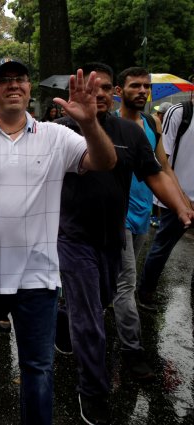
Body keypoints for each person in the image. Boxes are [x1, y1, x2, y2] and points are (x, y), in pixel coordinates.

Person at [0, 57, 116, 423]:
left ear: (30, 88)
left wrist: (89, 123)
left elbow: (104, 161)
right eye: (4, 80)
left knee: (38, 366)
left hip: (37, 275)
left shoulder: (57, 137)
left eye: (20, 78)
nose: (13, 84)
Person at [55, 63, 193, 424]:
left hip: (112, 239)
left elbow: (154, 173)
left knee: (99, 302)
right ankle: (93, 392)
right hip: (73, 238)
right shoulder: (63, 130)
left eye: (104, 89)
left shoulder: (131, 133)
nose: (97, 94)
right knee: (90, 320)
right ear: (79, 90)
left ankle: (61, 316)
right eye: (90, 87)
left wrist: (181, 208)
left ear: (113, 92)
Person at [111, 66, 189, 379]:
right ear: (120, 91)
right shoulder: (110, 125)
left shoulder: (151, 122)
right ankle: (132, 351)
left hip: (144, 213)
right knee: (126, 281)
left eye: (146, 87)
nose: (142, 91)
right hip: (117, 217)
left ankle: (72, 313)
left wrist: (181, 202)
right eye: (135, 86)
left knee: (116, 279)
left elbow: (164, 167)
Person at [138, 99, 194, 311]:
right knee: (163, 246)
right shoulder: (180, 112)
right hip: (178, 195)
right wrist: (180, 197)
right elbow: (164, 160)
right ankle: (146, 292)